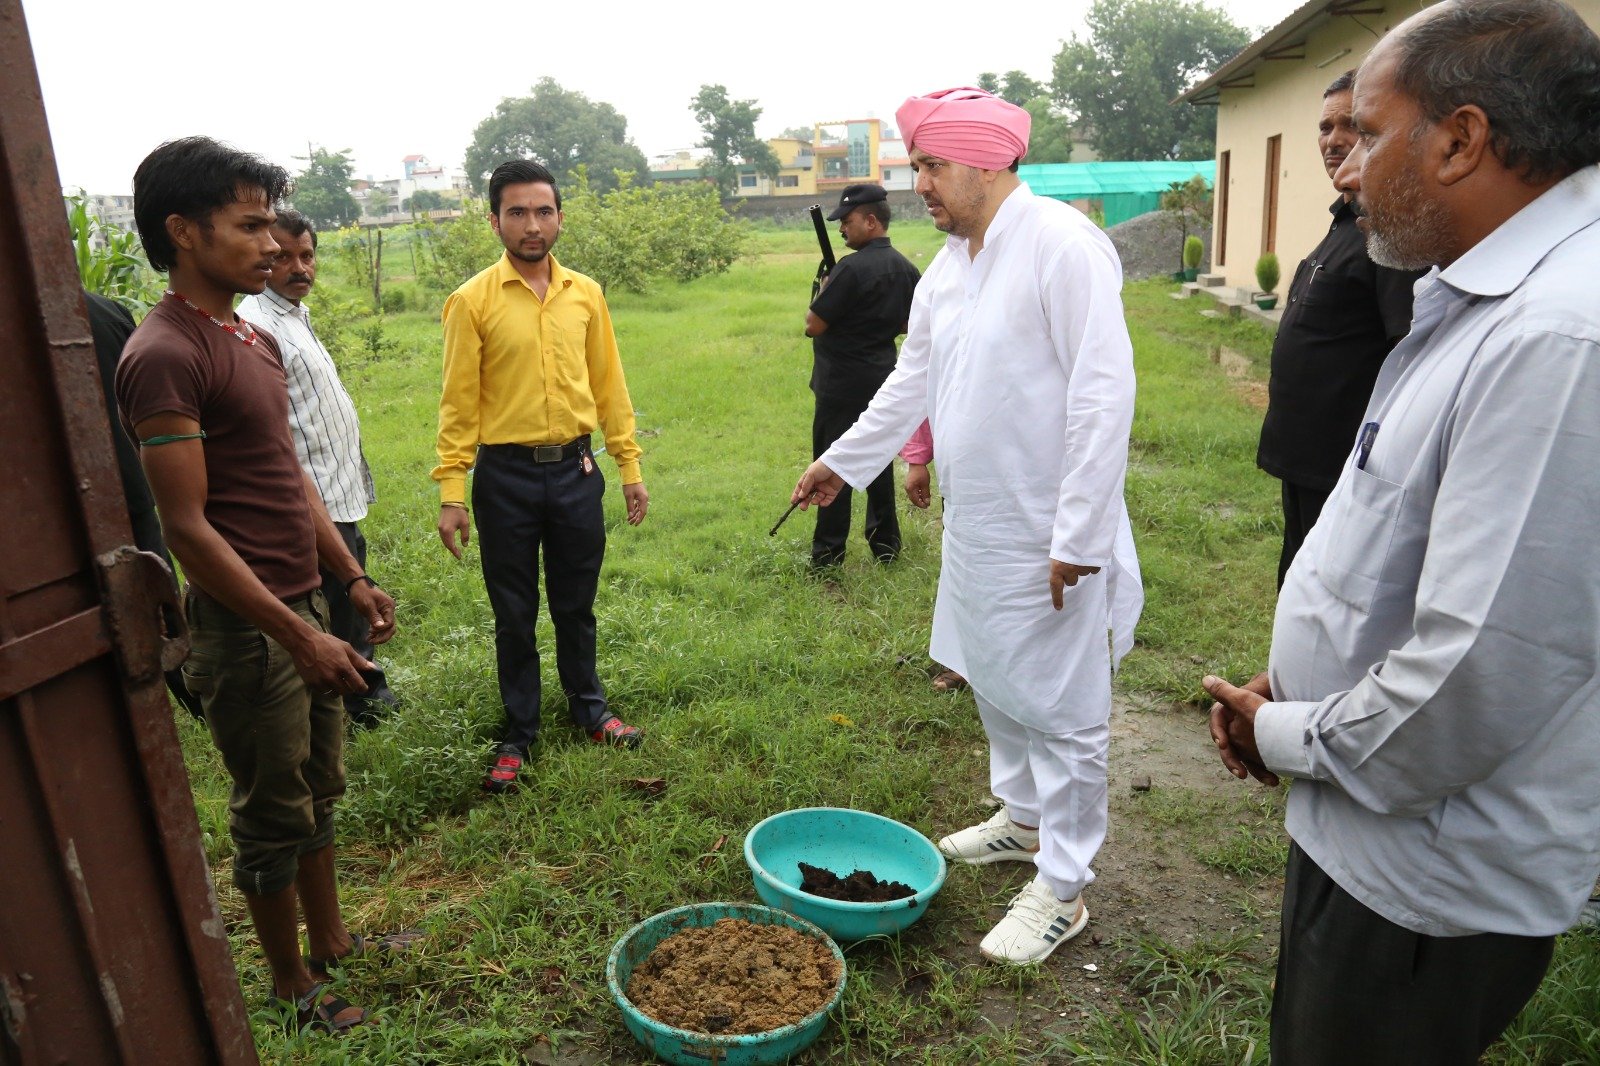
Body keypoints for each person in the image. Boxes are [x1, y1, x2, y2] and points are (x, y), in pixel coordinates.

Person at [1203, 2, 1600, 1059]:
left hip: (1423, 879)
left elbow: (1482, 669)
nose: (1349, 168)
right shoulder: (1485, 299)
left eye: (1369, 134)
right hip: (1371, 821)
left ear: (1462, 140)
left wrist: (1284, 733)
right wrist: (1305, 681)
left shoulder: (1558, 335)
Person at [793, 87, 1143, 965]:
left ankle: (1064, 884)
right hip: (978, 517)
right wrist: (844, 461)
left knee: (1063, 706)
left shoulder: (1063, 246)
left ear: (988, 161)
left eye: (931, 165)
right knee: (990, 669)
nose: (919, 185)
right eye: (915, 165)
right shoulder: (950, 267)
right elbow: (911, 381)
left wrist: (1080, 535)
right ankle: (1022, 819)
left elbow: (1103, 394)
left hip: (1050, 528)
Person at [115, 136, 401, 1032]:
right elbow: (187, 529)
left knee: (319, 786)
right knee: (272, 811)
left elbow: (291, 472)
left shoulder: (250, 336)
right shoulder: (164, 354)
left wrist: (348, 578)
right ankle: (290, 984)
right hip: (250, 630)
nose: (272, 244)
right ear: (183, 232)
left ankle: (333, 940)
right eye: (248, 226)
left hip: (306, 603)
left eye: (271, 224)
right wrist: (295, 633)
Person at [434, 159, 649, 794]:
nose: (532, 224)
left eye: (544, 211)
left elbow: (610, 385)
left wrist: (629, 465)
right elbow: (458, 404)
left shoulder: (585, 294)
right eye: (518, 212)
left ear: (559, 217)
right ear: (495, 219)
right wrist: (453, 492)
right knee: (514, 610)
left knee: (576, 603)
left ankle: (590, 709)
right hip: (505, 478)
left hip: (577, 470)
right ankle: (520, 731)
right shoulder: (472, 301)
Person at [1256, 71, 1423, 587]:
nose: (1333, 140)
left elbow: (1407, 353)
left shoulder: (1387, 234)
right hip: (1306, 462)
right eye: (1324, 128)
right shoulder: (1347, 221)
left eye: (1350, 125)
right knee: (1298, 585)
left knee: (1327, 595)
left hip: (1344, 472)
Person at [237, 209, 398, 726]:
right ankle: (358, 701)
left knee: (348, 598)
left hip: (337, 489)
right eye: (284, 256)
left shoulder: (292, 315)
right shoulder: (257, 324)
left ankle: (358, 690)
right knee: (339, 602)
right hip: (312, 498)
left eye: (306, 255)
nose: (299, 267)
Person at [84, 288, 203, 720]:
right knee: (159, 599)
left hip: (93, 501)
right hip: (135, 488)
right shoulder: (106, 310)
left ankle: (190, 696)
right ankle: (197, 697)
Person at [802, 183, 922, 568]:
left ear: (871, 221)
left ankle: (828, 553)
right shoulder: (906, 269)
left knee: (831, 463)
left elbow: (813, 325)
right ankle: (886, 545)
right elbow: (910, 325)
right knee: (877, 460)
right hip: (882, 381)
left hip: (839, 385)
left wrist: (824, 289)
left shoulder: (849, 269)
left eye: (847, 221)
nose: (841, 228)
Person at [900, 419, 966, 693]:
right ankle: (963, 660)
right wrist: (917, 459)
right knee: (962, 565)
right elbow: (923, 394)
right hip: (967, 471)